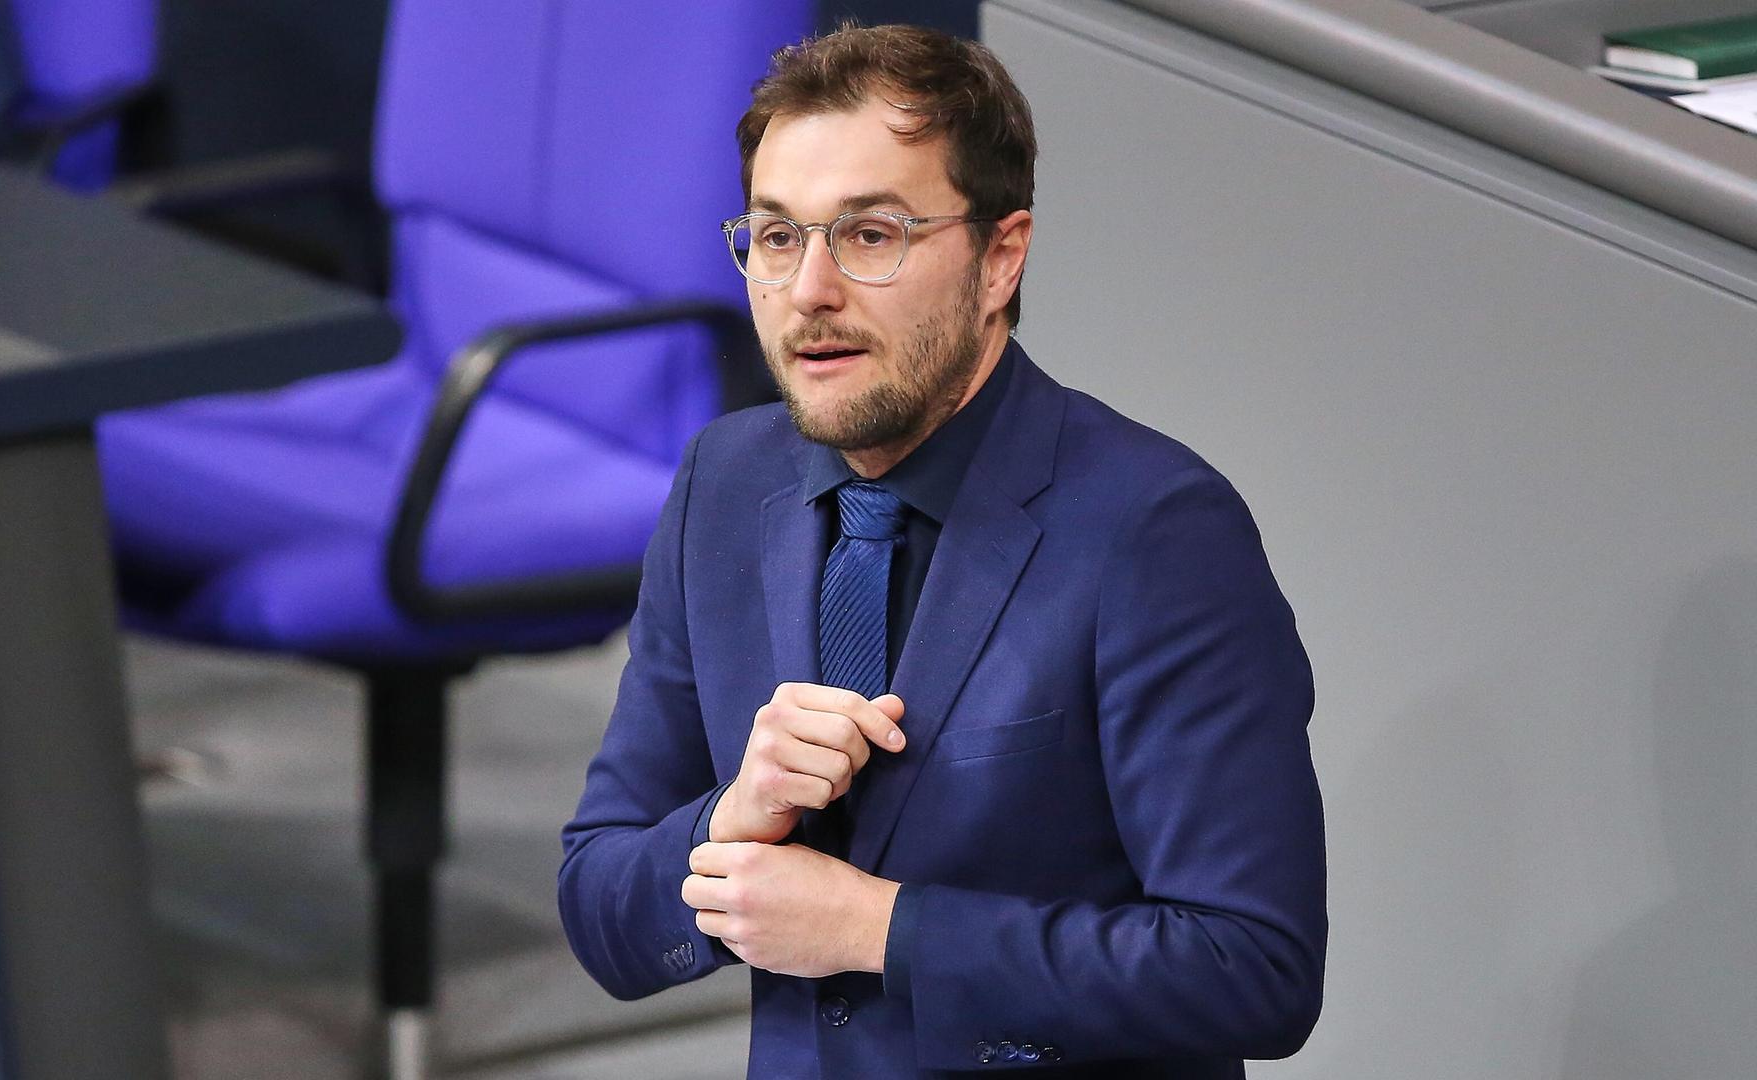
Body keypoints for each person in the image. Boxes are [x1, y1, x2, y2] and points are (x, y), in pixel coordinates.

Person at [558, 23, 1326, 1078]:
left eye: (871, 236)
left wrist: (881, 929)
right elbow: (602, 907)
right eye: (778, 239)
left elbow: (1251, 971)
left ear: (1000, 257)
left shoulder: (1156, 533)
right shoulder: (723, 488)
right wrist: (729, 819)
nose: (810, 293)